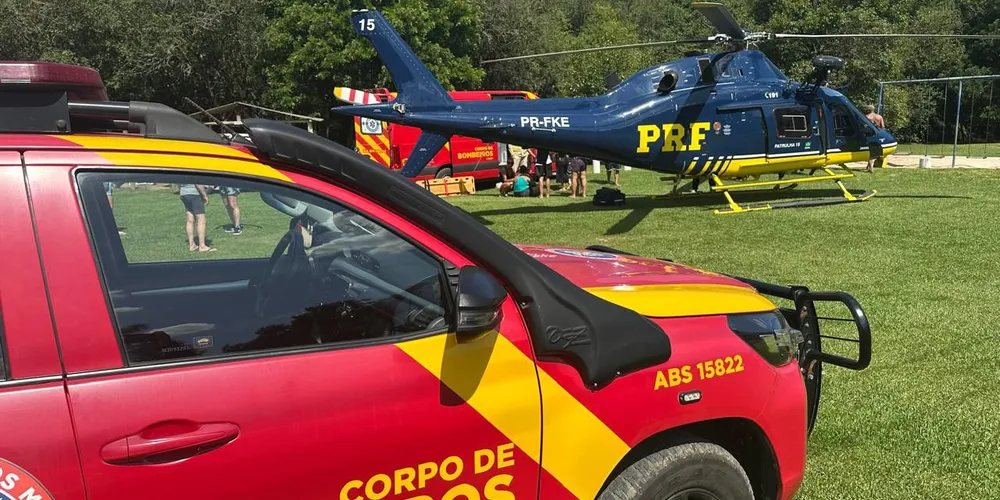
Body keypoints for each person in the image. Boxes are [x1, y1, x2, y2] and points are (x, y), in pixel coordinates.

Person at [179, 183, 214, 252]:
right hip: (195, 194)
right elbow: (198, 183)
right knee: (201, 220)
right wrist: (204, 195)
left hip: (183, 193)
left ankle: (191, 245)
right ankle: (202, 246)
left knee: (190, 219)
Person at [862, 104, 887, 173]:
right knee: (874, 152)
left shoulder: (866, 117)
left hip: (868, 136)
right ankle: (870, 167)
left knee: (871, 151)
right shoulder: (879, 117)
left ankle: (870, 166)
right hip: (877, 135)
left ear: (868, 110)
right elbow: (883, 127)